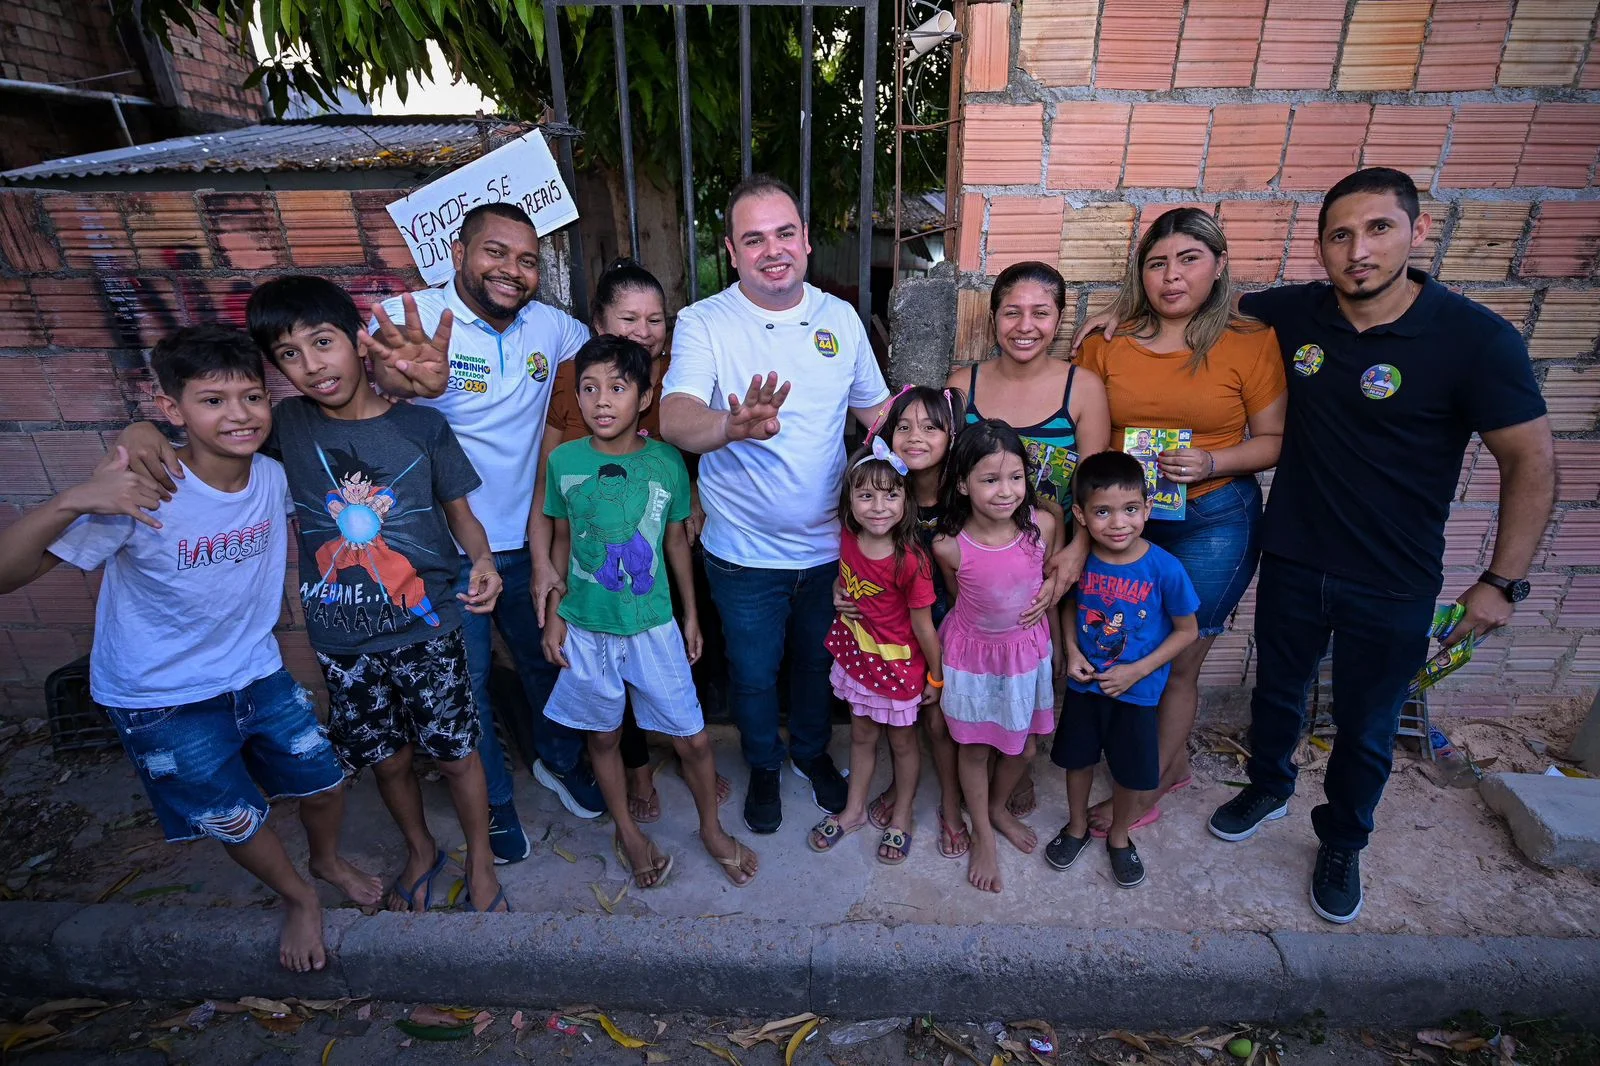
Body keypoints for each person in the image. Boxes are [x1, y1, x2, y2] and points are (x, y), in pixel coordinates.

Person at [1078, 169, 1555, 923]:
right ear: (1321, 247)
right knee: (1278, 692)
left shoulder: (1475, 339)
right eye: (1341, 235)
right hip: (1295, 550)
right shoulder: (1291, 317)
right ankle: (1266, 787)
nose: (1358, 250)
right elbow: (1186, 308)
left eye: (1378, 230)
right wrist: (1115, 317)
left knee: (1365, 720)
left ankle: (1342, 840)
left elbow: (1531, 460)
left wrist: (1502, 581)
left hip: (1393, 569)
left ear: (1417, 232)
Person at [0, 327, 382, 971]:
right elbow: (11, 573)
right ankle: (297, 897)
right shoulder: (140, 491)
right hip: (160, 697)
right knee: (232, 815)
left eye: (252, 397)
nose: (238, 415)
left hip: (256, 674)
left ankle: (326, 859)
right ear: (173, 408)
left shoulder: (272, 476)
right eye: (212, 400)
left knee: (324, 778)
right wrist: (73, 499)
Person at [245, 276, 509, 913]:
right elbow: (205, 435)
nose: (311, 365)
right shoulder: (286, 426)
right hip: (342, 640)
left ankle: (480, 860)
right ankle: (421, 848)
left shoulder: (422, 427)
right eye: (289, 354)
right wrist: (146, 436)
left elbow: (461, 513)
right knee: (387, 761)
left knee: (454, 753)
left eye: (323, 341)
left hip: (428, 630)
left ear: (358, 343)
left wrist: (482, 560)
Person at [363, 202, 605, 849]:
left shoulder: (552, 330)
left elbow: (613, 368)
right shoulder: (409, 320)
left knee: (550, 662)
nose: (512, 270)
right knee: (465, 689)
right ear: (459, 252)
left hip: (528, 544)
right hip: (441, 554)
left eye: (527, 260)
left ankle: (556, 758)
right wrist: (398, 381)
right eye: (495, 252)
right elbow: (363, 388)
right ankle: (494, 802)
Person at [659, 174, 891, 835]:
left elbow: (874, 414)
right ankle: (763, 762)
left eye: (785, 233)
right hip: (741, 554)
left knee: (817, 663)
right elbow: (676, 417)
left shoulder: (840, 319)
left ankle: (811, 755)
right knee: (755, 674)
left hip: (829, 549)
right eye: (753, 239)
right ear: (731, 252)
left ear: (808, 241)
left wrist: (929, 443)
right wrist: (728, 427)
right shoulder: (704, 322)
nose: (773, 250)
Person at [1074, 208, 1286, 837]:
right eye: (1157, 262)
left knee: (1180, 660)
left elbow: (1274, 441)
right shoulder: (1106, 341)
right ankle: (1166, 760)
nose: (1172, 276)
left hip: (1212, 518)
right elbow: (1080, 425)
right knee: (1118, 641)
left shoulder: (1250, 341)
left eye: (1189, 259)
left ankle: (1148, 787)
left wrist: (1213, 459)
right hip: (1120, 521)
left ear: (1218, 266)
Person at [541, 336, 760, 888]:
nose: (601, 401)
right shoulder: (564, 462)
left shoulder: (665, 462)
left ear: (645, 398)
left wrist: (690, 615)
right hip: (587, 627)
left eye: (617, 387)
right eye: (588, 389)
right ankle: (629, 832)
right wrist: (553, 613)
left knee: (694, 738)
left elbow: (676, 544)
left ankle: (711, 830)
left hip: (653, 624)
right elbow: (562, 541)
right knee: (604, 736)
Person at [536, 257, 732, 824]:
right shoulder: (569, 434)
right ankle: (633, 798)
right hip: (589, 604)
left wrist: (690, 497)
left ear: (641, 396)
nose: (643, 331)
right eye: (629, 318)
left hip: (651, 597)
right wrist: (550, 601)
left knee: (680, 709)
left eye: (655, 319)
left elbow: (677, 507)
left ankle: (699, 802)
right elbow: (558, 524)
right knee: (605, 723)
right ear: (599, 322)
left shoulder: (669, 385)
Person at [946, 261, 1110, 819]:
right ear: (993, 318)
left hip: (1052, 554)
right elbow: (940, 476)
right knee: (973, 663)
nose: (1025, 324)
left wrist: (1075, 554)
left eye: (1041, 312)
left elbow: (1095, 487)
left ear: (1060, 319)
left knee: (1036, 665)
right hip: (977, 559)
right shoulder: (962, 384)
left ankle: (1012, 759)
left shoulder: (1082, 387)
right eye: (1012, 311)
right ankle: (972, 768)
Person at [1046, 451, 1199, 888]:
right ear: (1081, 514)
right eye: (1102, 512)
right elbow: (1071, 605)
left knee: (1131, 771)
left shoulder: (1165, 568)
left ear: (1148, 509)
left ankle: (1118, 837)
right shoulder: (1084, 561)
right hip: (1086, 687)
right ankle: (1076, 827)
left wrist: (1137, 672)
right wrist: (1072, 650)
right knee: (1078, 761)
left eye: (1130, 509)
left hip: (1137, 693)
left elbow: (1186, 632)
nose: (1118, 523)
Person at [931, 420, 1064, 893]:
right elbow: (959, 598)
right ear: (963, 484)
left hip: (1025, 658)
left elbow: (1055, 575)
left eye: (1015, 478)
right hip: (974, 660)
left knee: (1024, 746)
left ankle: (994, 807)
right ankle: (983, 834)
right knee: (974, 747)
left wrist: (1050, 589)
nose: (1005, 491)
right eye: (990, 480)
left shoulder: (1041, 527)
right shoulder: (949, 545)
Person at [808, 439, 943, 864]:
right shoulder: (848, 536)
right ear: (849, 502)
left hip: (899, 668)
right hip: (857, 657)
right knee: (863, 736)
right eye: (866, 495)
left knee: (904, 745)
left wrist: (936, 679)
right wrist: (836, 590)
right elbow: (845, 579)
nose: (879, 506)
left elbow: (925, 627)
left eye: (891, 494)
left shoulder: (911, 561)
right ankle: (852, 810)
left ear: (906, 499)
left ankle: (902, 816)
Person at [852, 385, 970, 858]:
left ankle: (950, 803)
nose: (915, 436)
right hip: (897, 628)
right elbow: (855, 551)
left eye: (930, 427)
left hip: (956, 621)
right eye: (903, 426)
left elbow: (1036, 512)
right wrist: (847, 590)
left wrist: (1067, 550)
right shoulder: (880, 494)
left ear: (952, 435)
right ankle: (902, 793)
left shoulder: (965, 490)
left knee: (939, 721)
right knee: (902, 715)